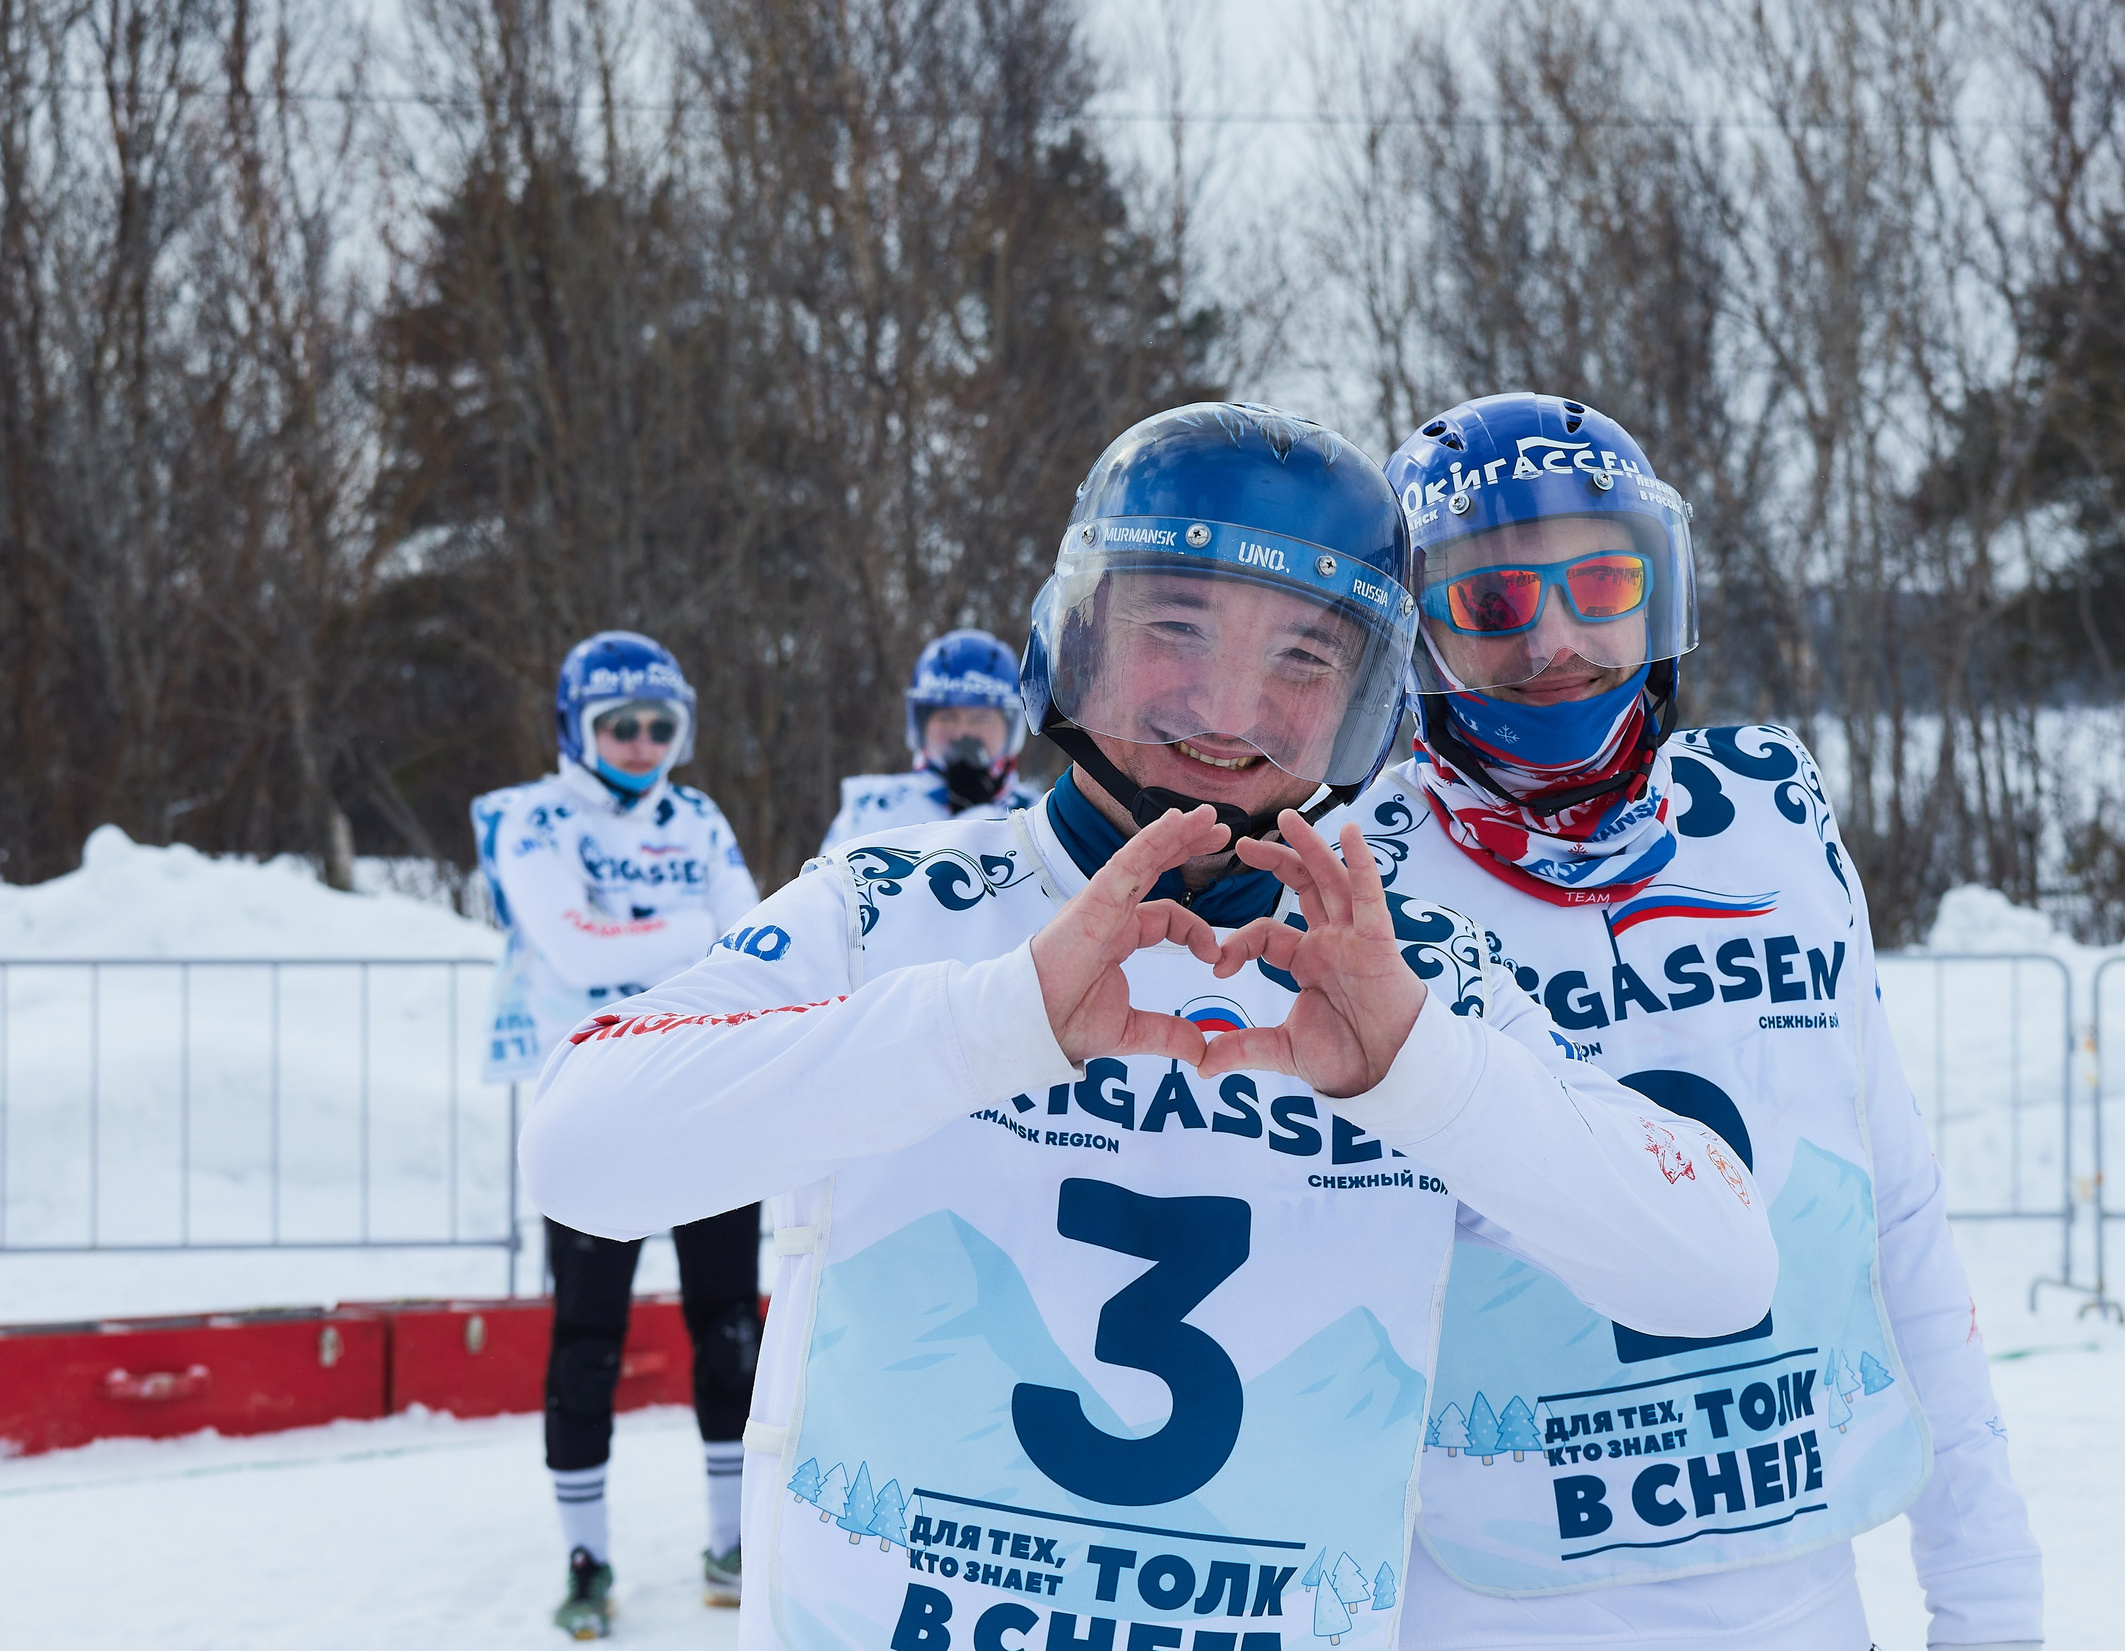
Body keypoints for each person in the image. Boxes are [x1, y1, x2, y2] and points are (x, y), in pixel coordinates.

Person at [520, 402, 1780, 1651]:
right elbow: (581, 1152)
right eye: (1176, 628)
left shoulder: (1397, 975)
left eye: (1303, 659)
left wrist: (1422, 1074)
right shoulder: (899, 908)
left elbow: (1716, 1268)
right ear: (1074, 639)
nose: (1230, 710)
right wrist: (988, 1024)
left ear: (1370, 704)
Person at [1331, 392, 2041, 1651]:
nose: (1554, 640)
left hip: (1795, 1593)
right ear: (1414, 627)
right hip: (1488, 1603)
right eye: (1491, 602)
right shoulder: (1352, 880)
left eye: (1599, 585)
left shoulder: (1767, 821)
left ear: (1656, 593)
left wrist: (1989, 1604)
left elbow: (1897, 1217)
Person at [471, 631, 767, 1638]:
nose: (641, 745)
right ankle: (585, 1558)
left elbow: (757, 935)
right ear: (574, 726)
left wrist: (639, 939)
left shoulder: (700, 815)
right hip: (595, 1104)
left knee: (729, 1324)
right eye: (618, 727)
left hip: (708, 1096)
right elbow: (570, 942)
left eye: (659, 727)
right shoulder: (530, 817)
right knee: (589, 1337)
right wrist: (693, 937)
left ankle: (729, 1539)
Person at [819, 629, 1037, 852]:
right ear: (922, 725)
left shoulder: (1039, 820)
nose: (963, 732)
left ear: (1011, 727)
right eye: (947, 717)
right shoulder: (873, 813)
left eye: (980, 718)